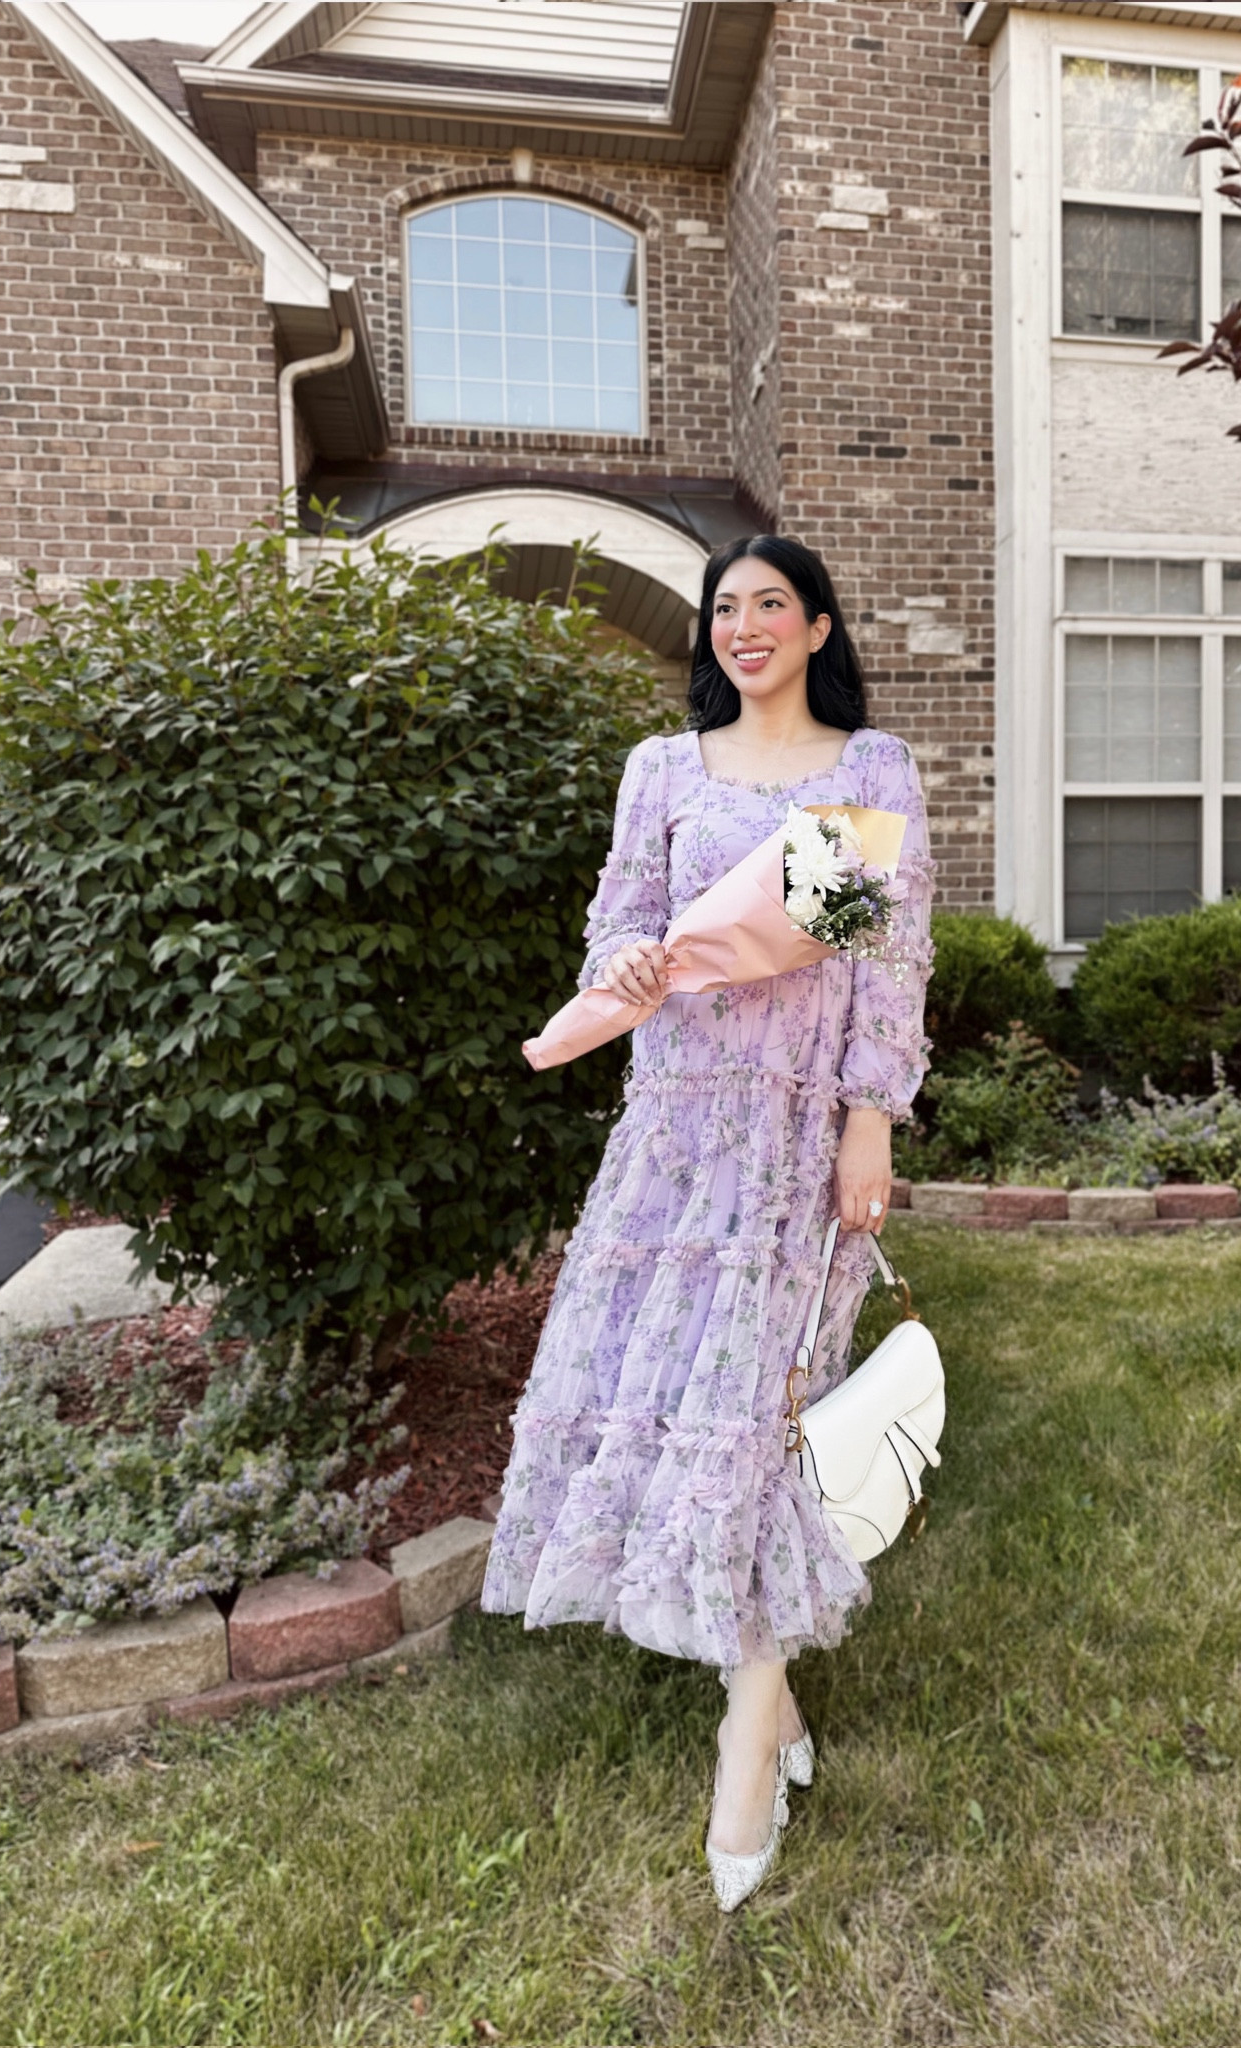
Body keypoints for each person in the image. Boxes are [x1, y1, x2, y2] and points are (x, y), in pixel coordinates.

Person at [482, 534, 936, 1909]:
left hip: (798, 1140)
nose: (742, 627)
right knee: (681, 1408)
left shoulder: (869, 772)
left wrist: (871, 1113)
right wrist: (617, 961)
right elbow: (621, 927)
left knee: (753, 1413)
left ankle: (749, 1742)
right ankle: (776, 1705)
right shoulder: (661, 773)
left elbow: (887, 959)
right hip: (674, 1132)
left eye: (768, 607)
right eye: (724, 609)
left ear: (816, 627)